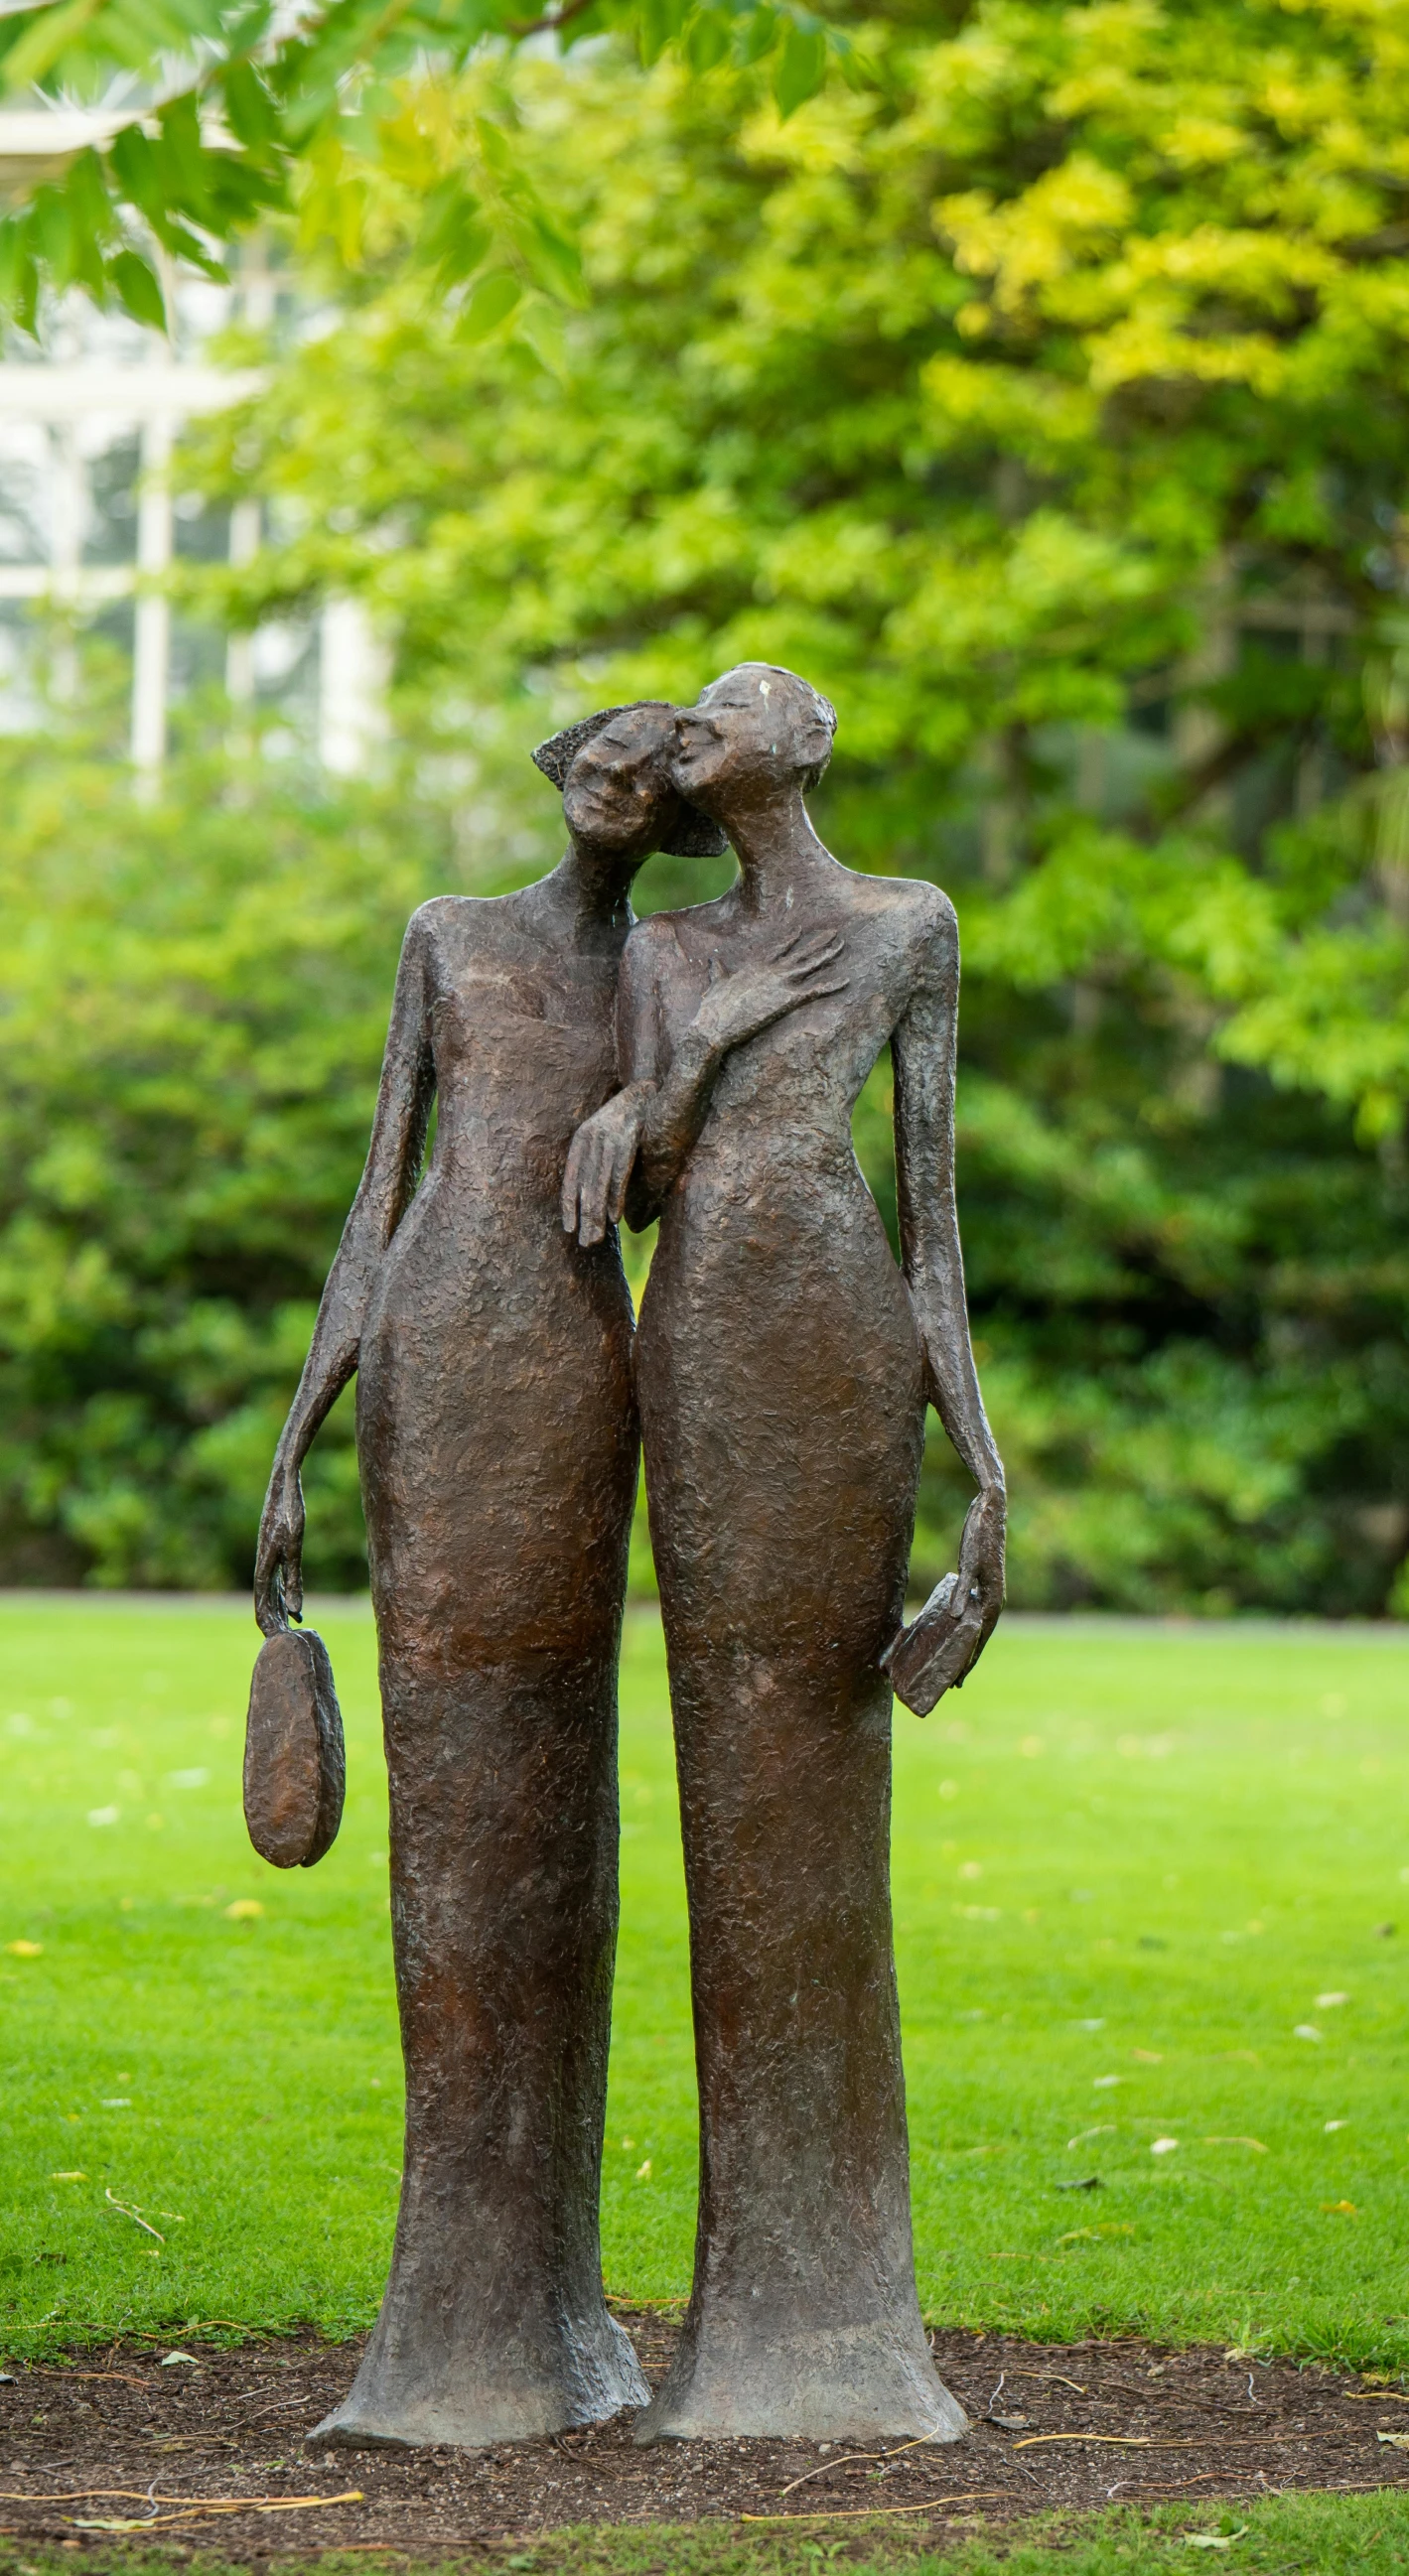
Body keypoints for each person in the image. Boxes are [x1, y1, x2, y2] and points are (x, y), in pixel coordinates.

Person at [253, 702, 725, 2448]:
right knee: (457, 1787)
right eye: (598, 761)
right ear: (560, 776)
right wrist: (303, 1427)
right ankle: (454, 2296)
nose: (618, 789)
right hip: (441, 1347)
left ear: (673, 817)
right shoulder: (449, 938)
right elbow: (376, 1190)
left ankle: (557, 2301)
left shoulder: (674, 967)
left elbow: (690, 1176)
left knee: (565, 1782)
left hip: (588, 1366)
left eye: (651, 777)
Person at [563, 664, 1006, 2442]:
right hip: (703, 1327)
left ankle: (839, 2309)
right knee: (721, 1763)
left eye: (717, 717)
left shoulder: (909, 922)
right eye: (679, 732)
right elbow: (650, 1172)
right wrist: (718, 1022)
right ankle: (743, 2313)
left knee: (816, 1767)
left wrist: (979, 1458)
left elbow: (932, 1204)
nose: (688, 742)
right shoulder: (669, 948)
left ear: (802, 746)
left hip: (837, 1332)